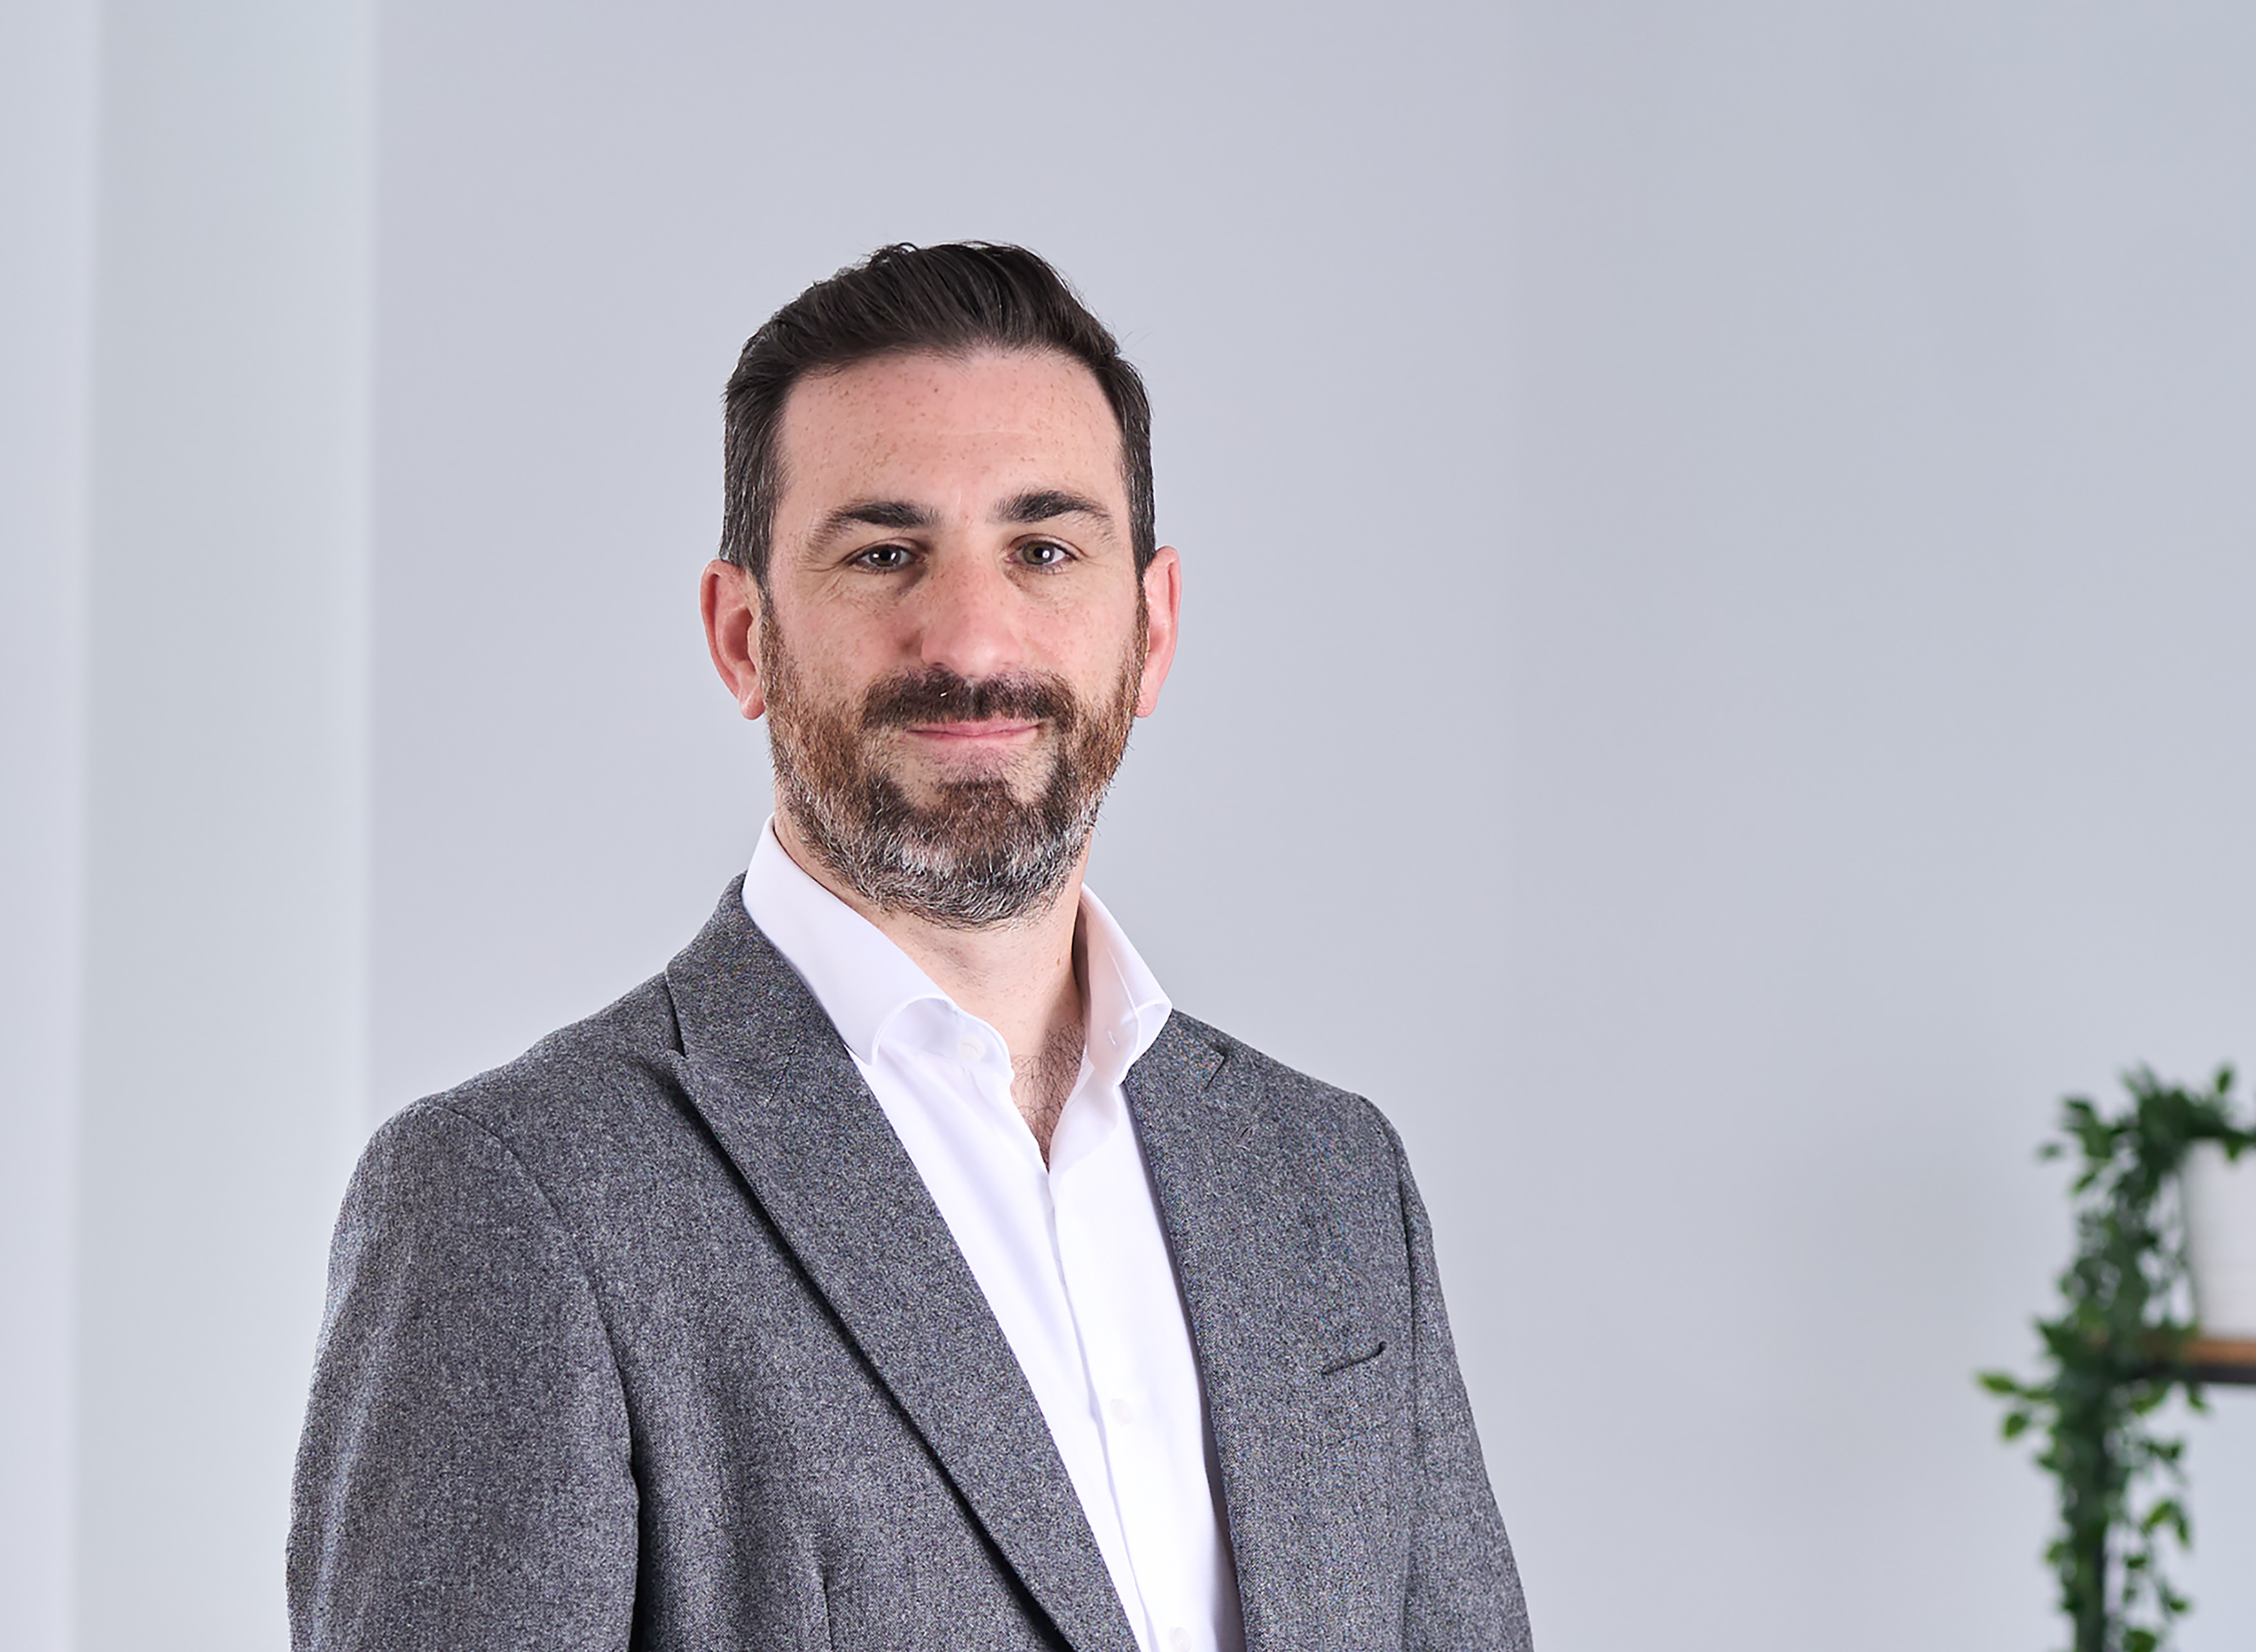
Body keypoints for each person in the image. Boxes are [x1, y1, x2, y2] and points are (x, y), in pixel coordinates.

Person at [289, 242, 1532, 1652]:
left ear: (1152, 628)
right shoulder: (521, 1199)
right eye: (885, 555)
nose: (974, 639)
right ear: (744, 636)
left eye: (1045, 550)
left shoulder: (1331, 1183)